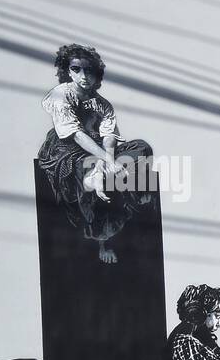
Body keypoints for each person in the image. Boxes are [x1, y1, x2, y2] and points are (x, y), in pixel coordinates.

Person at [37, 44, 156, 264]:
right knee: (90, 168)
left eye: (89, 71)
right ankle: (103, 237)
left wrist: (108, 161)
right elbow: (76, 135)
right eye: (76, 69)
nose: (83, 76)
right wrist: (102, 161)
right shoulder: (61, 95)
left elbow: (108, 136)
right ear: (67, 71)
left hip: (99, 148)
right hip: (67, 149)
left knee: (142, 147)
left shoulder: (103, 105)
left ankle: (112, 179)